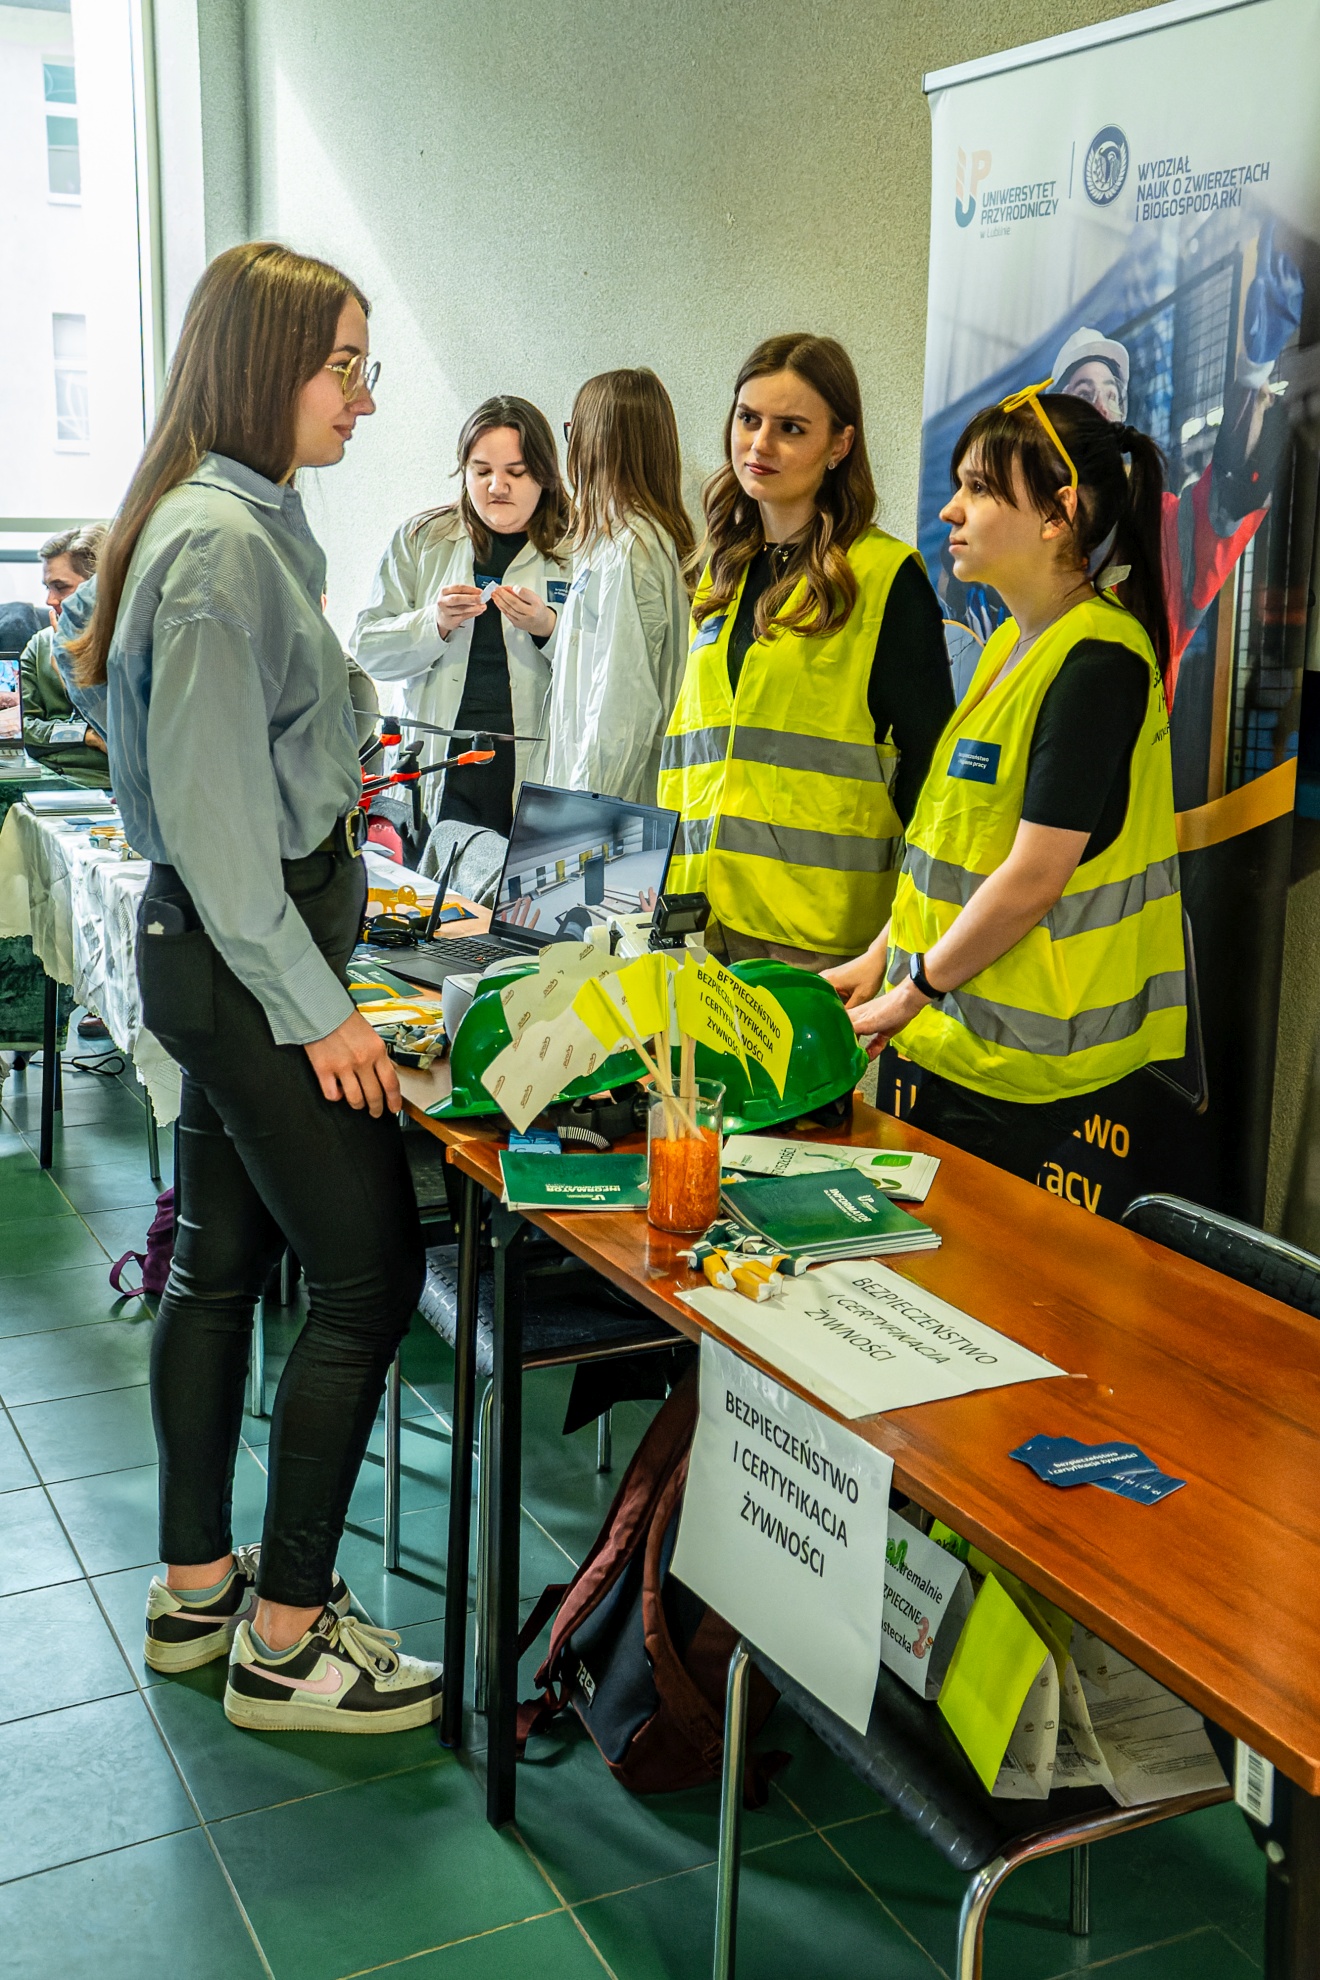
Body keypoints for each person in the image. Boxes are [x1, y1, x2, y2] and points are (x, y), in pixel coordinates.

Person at [68, 241, 441, 1734]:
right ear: (265, 364)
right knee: (370, 1275)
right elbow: (224, 839)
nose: (364, 397)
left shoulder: (240, 522)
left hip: (230, 962)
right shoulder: (221, 546)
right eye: (344, 367)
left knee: (215, 1270)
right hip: (244, 963)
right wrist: (325, 1012)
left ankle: (198, 1591)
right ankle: (288, 1640)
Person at [826, 386, 1186, 1191]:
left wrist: (910, 992)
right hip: (958, 1042)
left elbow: (1032, 876)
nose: (950, 511)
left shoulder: (1097, 661)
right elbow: (955, 850)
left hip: (1028, 1070)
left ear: (1059, 513)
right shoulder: (1010, 649)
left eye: (980, 488)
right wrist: (880, 959)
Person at [659, 333, 953, 971]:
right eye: (748, 419)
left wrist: (908, 933)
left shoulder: (884, 576)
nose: (759, 445)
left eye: (790, 428)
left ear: (839, 445)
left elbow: (932, 774)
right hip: (695, 917)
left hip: (813, 935)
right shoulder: (722, 572)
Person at [350, 396, 570, 838]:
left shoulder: (577, 546)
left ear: (544, 475)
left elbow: (609, 669)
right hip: (440, 765)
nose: (497, 487)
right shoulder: (422, 539)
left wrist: (548, 628)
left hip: (533, 767)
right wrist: (433, 624)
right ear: (463, 471)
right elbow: (368, 649)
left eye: (515, 472)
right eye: (482, 471)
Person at [541, 367, 694, 803]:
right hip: (600, 797)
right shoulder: (615, 542)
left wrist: (580, 817)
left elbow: (622, 709)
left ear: (598, 441)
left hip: (610, 805)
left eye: (573, 430)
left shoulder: (633, 548)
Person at [19, 525, 110, 786]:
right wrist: (84, 735)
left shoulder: (128, 648)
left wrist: (72, 667)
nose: (49, 600)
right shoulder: (40, 644)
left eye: (61, 587)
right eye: (47, 587)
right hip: (48, 779)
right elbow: (19, 728)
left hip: (109, 783)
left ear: (99, 586)